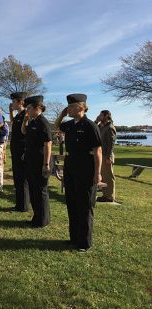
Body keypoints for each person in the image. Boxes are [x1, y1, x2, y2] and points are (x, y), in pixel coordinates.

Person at [55, 94, 102, 252]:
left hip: (86, 167)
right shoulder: (70, 125)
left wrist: (98, 173)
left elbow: (98, 151)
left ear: (81, 108)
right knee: (72, 203)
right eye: (68, 106)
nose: (68, 108)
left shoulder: (90, 125)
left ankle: (84, 243)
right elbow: (56, 126)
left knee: (84, 205)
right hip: (71, 166)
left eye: (71, 106)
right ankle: (74, 238)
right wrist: (62, 114)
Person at [21, 95, 52, 227]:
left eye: (28, 108)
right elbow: (24, 132)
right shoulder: (32, 121)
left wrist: (46, 164)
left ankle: (43, 221)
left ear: (37, 108)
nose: (26, 110)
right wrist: (25, 120)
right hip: (31, 161)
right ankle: (37, 218)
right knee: (34, 191)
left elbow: (48, 144)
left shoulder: (43, 122)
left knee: (40, 191)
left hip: (40, 162)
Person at [9, 92, 30, 212]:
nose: (12, 104)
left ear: (20, 102)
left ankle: (23, 206)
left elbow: (24, 132)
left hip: (21, 151)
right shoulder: (19, 115)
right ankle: (19, 205)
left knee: (22, 179)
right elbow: (14, 124)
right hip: (16, 151)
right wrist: (11, 112)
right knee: (17, 179)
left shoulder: (25, 115)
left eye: (14, 101)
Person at [95, 110, 116, 202]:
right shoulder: (101, 126)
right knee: (103, 176)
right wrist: (96, 121)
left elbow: (111, 144)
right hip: (101, 155)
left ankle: (110, 196)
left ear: (106, 116)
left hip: (106, 156)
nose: (99, 116)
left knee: (108, 176)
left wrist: (108, 157)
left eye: (101, 115)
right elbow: (92, 130)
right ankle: (105, 195)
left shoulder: (110, 127)